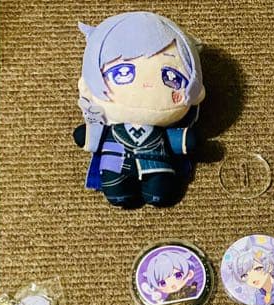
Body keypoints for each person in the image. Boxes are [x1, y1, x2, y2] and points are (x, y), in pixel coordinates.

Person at [74, 12, 205, 207]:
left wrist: (186, 139)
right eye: (122, 73)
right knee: (116, 186)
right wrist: (86, 134)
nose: (147, 85)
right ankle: (123, 192)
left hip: (154, 162)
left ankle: (154, 192)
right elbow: (91, 136)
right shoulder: (113, 129)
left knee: (158, 188)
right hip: (116, 162)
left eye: (170, 76)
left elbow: (177, 140)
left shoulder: (159, 131)